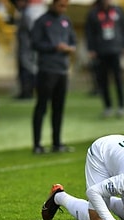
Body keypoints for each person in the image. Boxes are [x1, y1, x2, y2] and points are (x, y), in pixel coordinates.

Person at [30, 0, 76, 154]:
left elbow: (73, 41)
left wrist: (70, 48)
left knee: (59, 108)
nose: (63, 8)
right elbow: (35, 43)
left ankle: (57, 143)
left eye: (65, 6)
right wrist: (54, 47)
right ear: (53, 4)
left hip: (62, 70)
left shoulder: (66, 21)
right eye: (60, 5)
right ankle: (37, 144)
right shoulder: (42, 21)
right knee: (41, 107)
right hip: (46, 70)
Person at [85, 0, 124, 118]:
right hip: (101, 51)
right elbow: (89, 33)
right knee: (103, 81)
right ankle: (108, 107)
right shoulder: (93, 14)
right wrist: (91, 49)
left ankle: (121, 106)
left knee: (118, 79)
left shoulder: (118, 11)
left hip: (116, 49)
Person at [13, 0, 38, 100]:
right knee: (23, 70)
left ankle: (27, 92)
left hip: (26, 48)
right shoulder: (21, 13)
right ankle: (25, 91)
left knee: (26, 70)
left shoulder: (26, 15)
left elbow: (32, 31)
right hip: (23, 47)